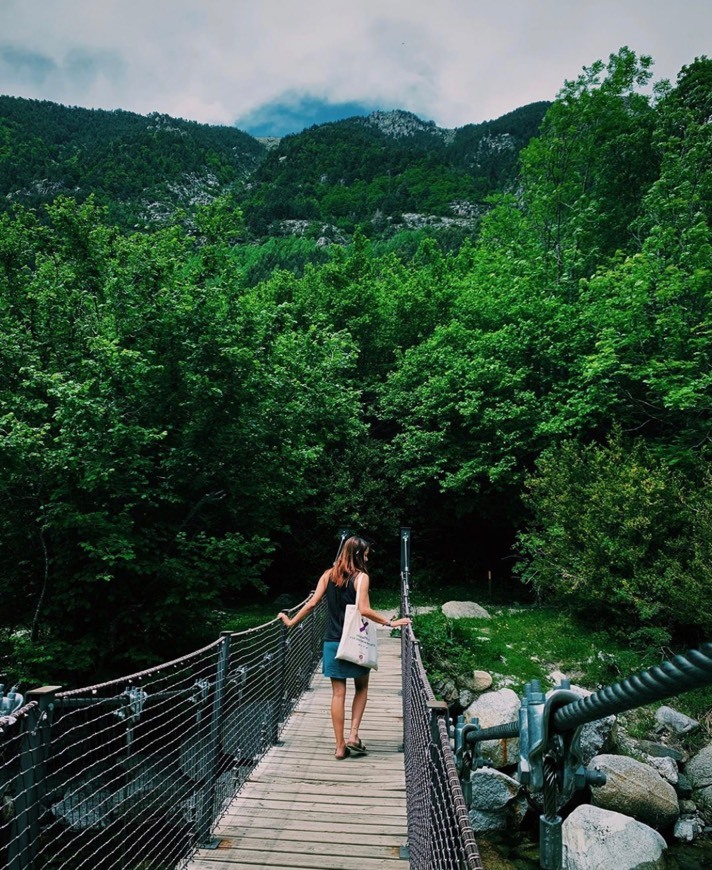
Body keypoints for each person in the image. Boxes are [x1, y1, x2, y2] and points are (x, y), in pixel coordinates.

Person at [278, 535, 411, 759]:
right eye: (366, 553)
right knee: (361, 688)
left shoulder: (328, 575)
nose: (368, 556)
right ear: (359, 555)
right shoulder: (362, 578)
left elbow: (311, 604)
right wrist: (390, 623)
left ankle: (340, 747)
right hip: (356, 642)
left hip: (332, 641)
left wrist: (291, 622)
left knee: (338, 693)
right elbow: (364, 609)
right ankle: (353, 735)